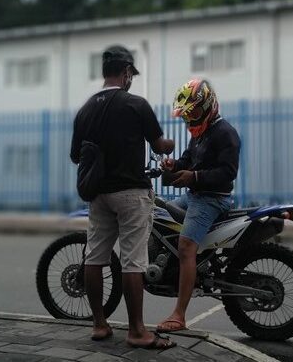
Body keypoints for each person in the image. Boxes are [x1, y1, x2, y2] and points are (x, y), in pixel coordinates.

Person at [70, 45, 176, 349]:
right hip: (131, 193)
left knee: (95, 257)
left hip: (98, 195)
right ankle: (137, 331)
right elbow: (159, 144)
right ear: (126, 73)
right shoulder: (136, 104)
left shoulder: (85, 111)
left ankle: (100, 325)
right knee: (133, 262)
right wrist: (167, 145)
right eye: (131, 74)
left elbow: (77, 156)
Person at [156, 79, 241, 332]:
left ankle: (179, 315)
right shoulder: (201, 133)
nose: (189, 118)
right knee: (161, 215)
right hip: (195, 195)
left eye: (193, 112)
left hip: (212, 198)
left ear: (207, 106)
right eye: (187, 114)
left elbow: (228, 172)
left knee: (185, 246)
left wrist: (194, 177)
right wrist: (174, 166)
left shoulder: (225, 132)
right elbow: (187, 159)